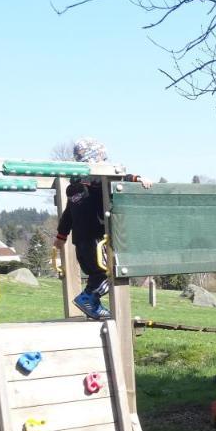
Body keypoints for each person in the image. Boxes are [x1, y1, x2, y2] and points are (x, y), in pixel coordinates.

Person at [54, 137, 149, 321]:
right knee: (110, 271)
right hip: (97, 239)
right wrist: (137, 179)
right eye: (102, 161)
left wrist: (61, 235)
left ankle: (93, 305)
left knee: (95, 273)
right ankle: (88, 298)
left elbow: (68, 215)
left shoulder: (74, 188)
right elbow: (117, 179)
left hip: (80, 242)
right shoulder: (96, 180)